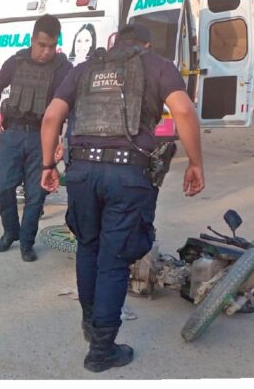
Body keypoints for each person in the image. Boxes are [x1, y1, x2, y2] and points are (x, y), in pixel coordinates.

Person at [39, 23, 205, 372]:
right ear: (145, 43)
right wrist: (195, 162)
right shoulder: (158, 65)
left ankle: (90, 324)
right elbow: (184, 111)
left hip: (82, 171)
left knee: (88, 246)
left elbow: (52, 116)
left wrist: (46, 165)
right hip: (128, 175)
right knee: (114, 259)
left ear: (114, 43)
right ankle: (101, 350)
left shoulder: (83, 69)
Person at [0, 14, 73, 262]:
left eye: (52, 46)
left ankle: (27, 242)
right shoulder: (16, 61)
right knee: (3, 187)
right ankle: (10, 232)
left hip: (42, 138)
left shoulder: (63, 69)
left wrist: (63, 138)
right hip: (12, 134)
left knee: (36, 194)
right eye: (42, 45)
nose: (47, 52)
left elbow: (70, 106)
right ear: (32, 39)